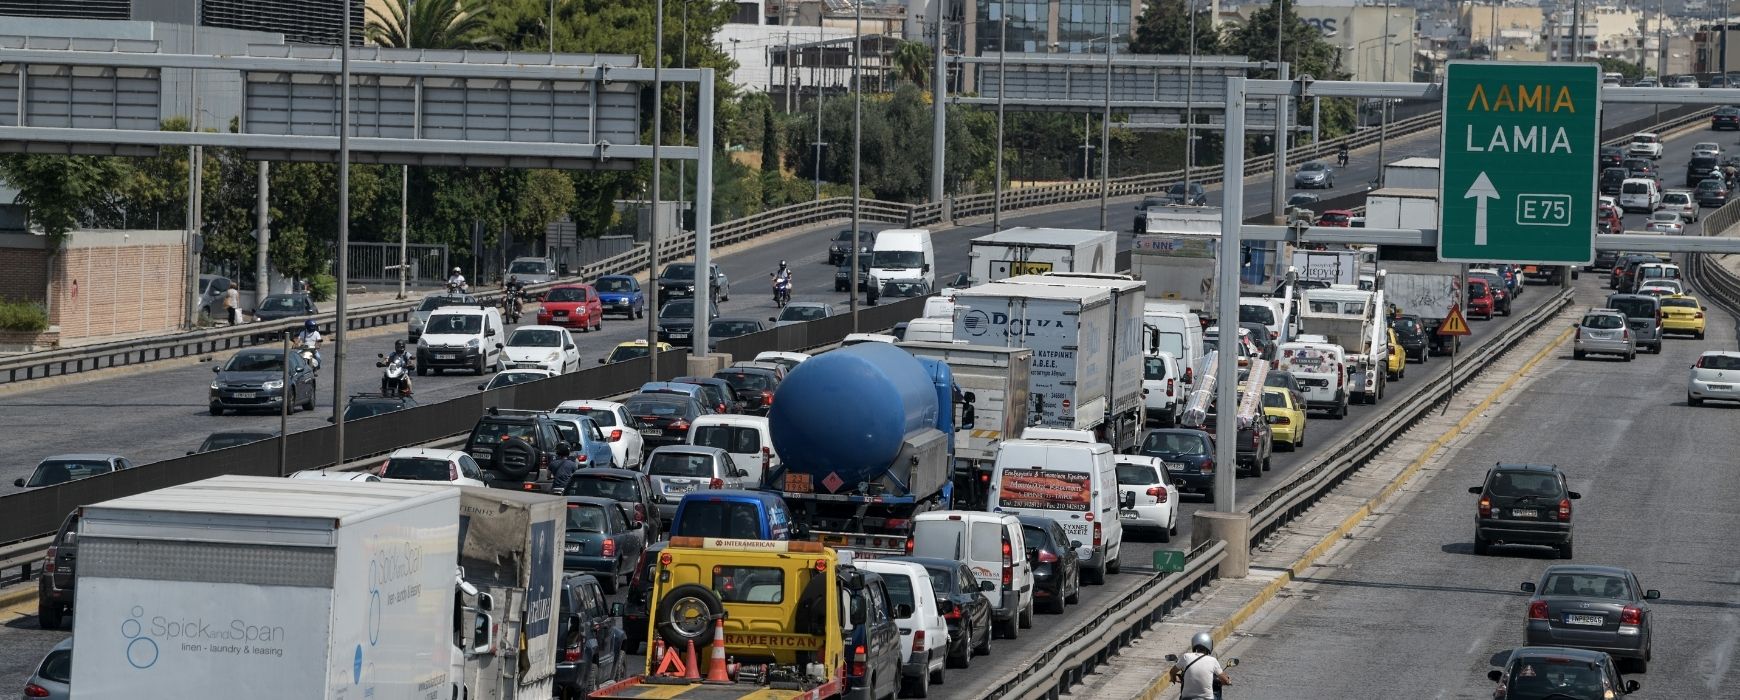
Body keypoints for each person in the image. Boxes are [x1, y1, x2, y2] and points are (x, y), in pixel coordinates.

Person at [1169, 632, 1231, 700]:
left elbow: (1172, 672)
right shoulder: (1212, 660)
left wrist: (1173, 679)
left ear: (1194, 644)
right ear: (1209, 645)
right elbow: (1225, 680)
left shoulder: (1186, 657)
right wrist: (1227, 681)